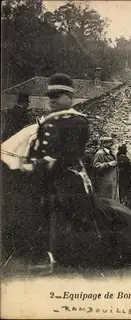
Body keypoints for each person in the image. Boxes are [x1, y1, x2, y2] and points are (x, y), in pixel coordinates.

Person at [1, 73, 92, 267]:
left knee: (54, 202)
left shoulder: (78, 121)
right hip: (43, 174)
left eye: (58, 95)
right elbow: (37, 149)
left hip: (67, 173)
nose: (53, 99)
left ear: (70, 97)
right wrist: (27, 163)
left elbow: (72, 153)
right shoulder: (47, 121)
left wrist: (41, 164)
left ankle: (52, 254)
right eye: (50, 95)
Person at [92, 137, 119, 201]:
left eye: (111, 142)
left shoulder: (112, 153)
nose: (111, 144)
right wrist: (108, 164)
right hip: (104, 183)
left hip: (112, 182)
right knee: (106, 201)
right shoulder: (99, 154)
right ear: (104, 144)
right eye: (109, 142)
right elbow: (95, 166)